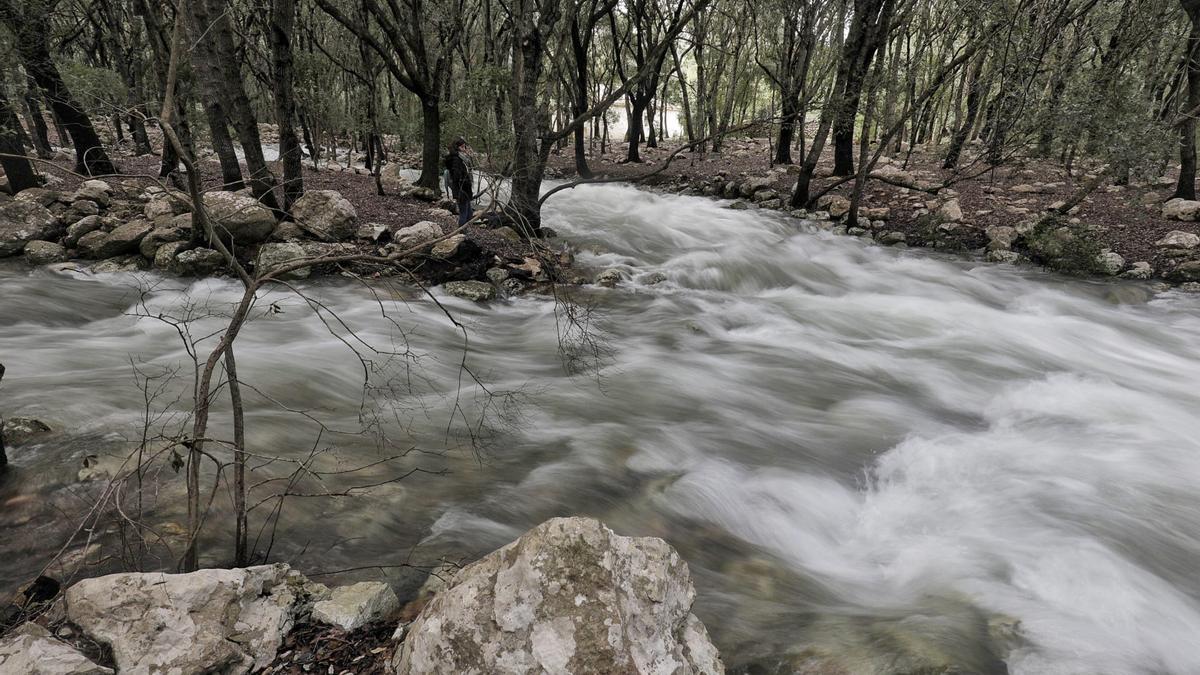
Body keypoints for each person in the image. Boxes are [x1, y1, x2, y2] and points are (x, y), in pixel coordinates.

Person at [444, 138, 474, 225]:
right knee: (464, 214)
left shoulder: (462, 158)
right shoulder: (456, 160)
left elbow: (469, 169)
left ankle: (463, 233)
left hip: (465, 189)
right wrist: (463, 182)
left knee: (469, 213)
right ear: (457, 147)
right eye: (462, 147)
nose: (464, 149)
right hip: (461, 190)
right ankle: (461, 234)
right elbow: (456, 176)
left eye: (465, 146)